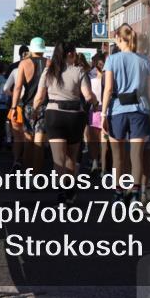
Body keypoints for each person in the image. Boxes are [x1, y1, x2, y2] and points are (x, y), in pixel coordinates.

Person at [34, 42, 97, 203]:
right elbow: (88, 96)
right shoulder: (79, 71)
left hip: (54, 115)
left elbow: (39, 97)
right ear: (70, 54)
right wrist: (96, 103)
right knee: (71, 156)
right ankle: (69, 188)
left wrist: (34, 111)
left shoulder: (48, 72)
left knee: (58, 158)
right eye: (74, 53)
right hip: (75, 116)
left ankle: (62, 190)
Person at [102, 24, 150, 204]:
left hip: (117, 109)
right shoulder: (145, 61)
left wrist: (103, 114)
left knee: (117, 157)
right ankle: (135, 194)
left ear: (119, 38)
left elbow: (108, 88)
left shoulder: (112, 59)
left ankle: (118, 193)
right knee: (137, 156)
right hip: (140, 109)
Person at [12, 37, 49, 173]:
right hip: (45, 105)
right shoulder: (49, 63)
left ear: (31, 48)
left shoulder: (24, 63)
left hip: (28, 106)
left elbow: (17, 87)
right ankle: (36, 175)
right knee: (39, 143)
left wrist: (14, 107)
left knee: (28, 141)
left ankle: (26, 172)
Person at [6, 46, 30, 171]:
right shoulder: (35, 68)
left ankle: (16, 161)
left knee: (17, 138)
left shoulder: (14, 69)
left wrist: (14, 96)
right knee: (28, 137)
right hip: (30, 106)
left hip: (15, 106)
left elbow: (5, 88)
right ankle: (26, 164)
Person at [85, 52, 107, 178]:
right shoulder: (90, 75)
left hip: (103, 110)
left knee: (102, 140)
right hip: (94, 110)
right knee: (94, 139)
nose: (100, 64)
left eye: (102, 62)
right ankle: (95, 163)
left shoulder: (108, 74)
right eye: (99, 62)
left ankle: (102, 166)